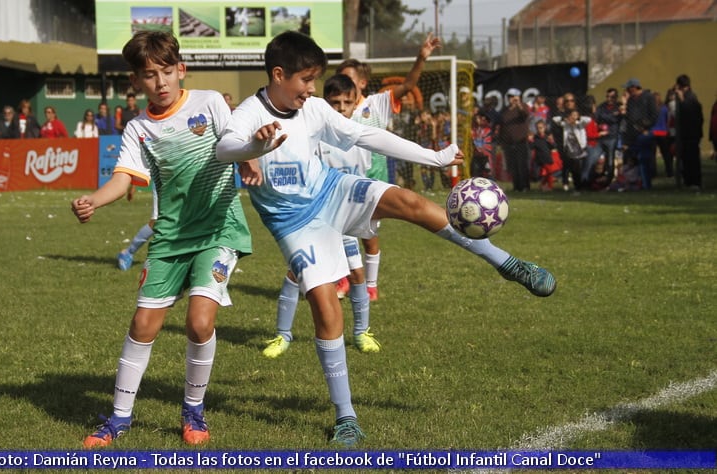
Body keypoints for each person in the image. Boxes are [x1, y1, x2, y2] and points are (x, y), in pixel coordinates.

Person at [216, 31, 556, 447]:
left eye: (315, 80)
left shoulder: (316, 109)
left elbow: (365, 135)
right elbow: (225, 147)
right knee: (325, 309)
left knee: (406, 200)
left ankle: (506, 262)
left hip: (332, 190)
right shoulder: (252, 112)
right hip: (294, 223)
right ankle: (346, 416)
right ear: (279, 74)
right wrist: (253, 145)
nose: (311, 89)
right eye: (306, 80)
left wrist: (430, 156)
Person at [72, 30, 252, 449]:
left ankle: (193, 410)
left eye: (167, 71)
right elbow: (124, 179)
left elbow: (234, 144)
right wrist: (94, 201)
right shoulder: (137, 129)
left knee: (199, 321)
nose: (161, 82)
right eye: (150, 75)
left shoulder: (209, 103)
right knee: (143, 325)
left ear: (181, 69)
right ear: (136, 82)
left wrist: (253, 156)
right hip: (170, 237)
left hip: (218, 229)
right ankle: (118, 419)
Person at [262, 74, 380, 360]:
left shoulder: (362, 138)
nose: (341, 108)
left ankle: (362, 332)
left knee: (356, 272)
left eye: (346, 103)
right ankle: (282, 335)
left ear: (355, 105)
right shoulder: (316, 134)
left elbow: (364, 179)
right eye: (335, 102)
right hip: (317, 215)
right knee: (297, 272)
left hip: (346, 215)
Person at [333, 32, 442, 302]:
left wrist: (421, 57)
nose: (344, 84)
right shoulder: (332, 109)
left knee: (368, 235)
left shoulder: (376, 103)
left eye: (349, 79)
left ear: (362, 82)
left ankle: (370, 285)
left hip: (373, 180)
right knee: (336, 231)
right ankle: (343, 279)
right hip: (341, 180)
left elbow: (408, 84)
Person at [621, 78, 658, 190]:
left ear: (634, 87)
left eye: (628, 88)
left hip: (644, 133)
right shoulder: (631, 100)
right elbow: (629, 118)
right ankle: (637, 183)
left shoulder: (648, 97)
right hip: (633, 134)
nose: (627, 90)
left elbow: (654, 115)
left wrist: (645, 127)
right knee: (632, 159)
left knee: (644, 158)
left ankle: (646, 184)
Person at [673, 74, 704, 190]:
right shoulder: (689, 97)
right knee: (685, 158)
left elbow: (690, 114)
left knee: (692, 158)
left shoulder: (690, 98)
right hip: (686, 134)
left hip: (691, 133)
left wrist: (682, 100)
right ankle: (688, 181)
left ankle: (694, 182)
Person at [499, 88, 531, 192]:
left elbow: (525, 114)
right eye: (510, 96)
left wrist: (519, 105)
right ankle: (516, 186)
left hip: (521, 142)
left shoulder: (523, 107)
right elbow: (502, 125)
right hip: (508, 143)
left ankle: (525, 186)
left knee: (522, 165)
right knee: (513, 166)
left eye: (514, 96)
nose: (512, 99)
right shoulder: (505, 110)